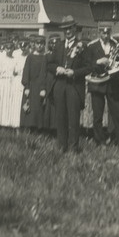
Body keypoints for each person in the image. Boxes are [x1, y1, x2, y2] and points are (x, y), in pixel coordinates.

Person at [46, 15, 91, 153]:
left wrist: (75, 73)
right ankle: (61, 146)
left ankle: (73, 147)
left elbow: (89, 67)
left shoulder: (82, 46)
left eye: (69, 28)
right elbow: (49, 64)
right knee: (60, 117)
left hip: (74, 86)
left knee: (73, 118)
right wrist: (56, 69)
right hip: (60, 85)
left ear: (74, 29)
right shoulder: (59, 45)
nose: (67, 31)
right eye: (65, 29)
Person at [85, 22, 119, 150]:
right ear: (99, 33)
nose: (105, 35)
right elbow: (87, 65)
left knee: (118, 114)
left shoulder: (116, 45)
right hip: (97, 83)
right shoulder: (92, 46)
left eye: (108, 32)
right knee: (98, 115)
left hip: (112, 83)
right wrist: (98, 61)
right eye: (103, 33)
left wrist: (116, 66)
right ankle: (100, 142)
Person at [21, 35, 48, 131]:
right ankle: (28, 129)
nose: (39, 46)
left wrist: (43, 88)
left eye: (42, 44)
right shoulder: (30, 57)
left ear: (44, 45)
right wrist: (27, 86)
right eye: (38, 43)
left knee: (39, 108)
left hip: (40, 86)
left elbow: (44, 73)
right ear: (34, 45)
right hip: (31, 86)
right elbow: (26, 72)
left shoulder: (45, 57)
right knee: (29, 108)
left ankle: (38, 129)